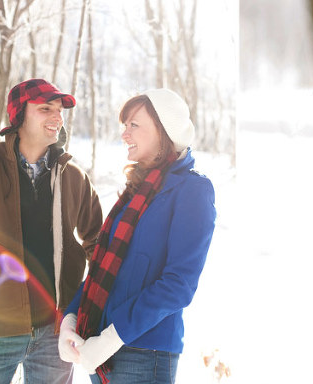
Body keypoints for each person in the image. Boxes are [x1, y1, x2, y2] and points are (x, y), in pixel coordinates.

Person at [57, 89, 216, 384]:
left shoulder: (192, 191)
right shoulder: (135, 193)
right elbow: (103, 269)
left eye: (134, 125)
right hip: (102, 350)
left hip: (144, 352)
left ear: (163, 130)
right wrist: (70, 319)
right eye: (124, 125)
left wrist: (111, 338)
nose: (124, 134)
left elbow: (178, 284)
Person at [0, 79, 103, 383]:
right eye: (45, 108)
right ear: (19, 115)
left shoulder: (73, 176)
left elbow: (100, 245)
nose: (56, 117)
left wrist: (84, 309)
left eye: (59, 110)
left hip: (54, 332)